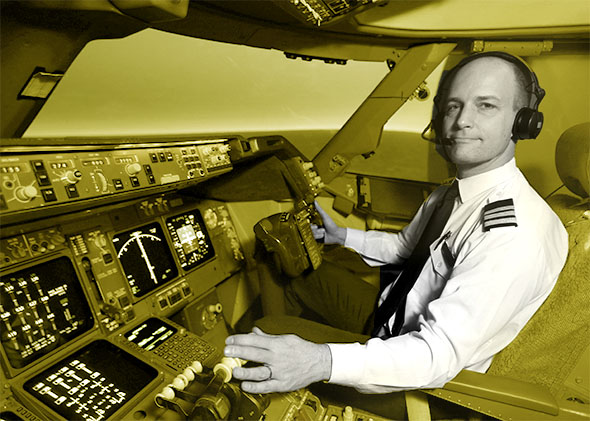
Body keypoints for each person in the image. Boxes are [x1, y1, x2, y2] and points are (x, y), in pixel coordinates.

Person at [223, 52, 569, 397]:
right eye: (453, 106)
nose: (462, 120)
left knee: (265, 335)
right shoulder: (450, 194)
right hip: (390, 316)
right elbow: (404, 249)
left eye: (486, 106)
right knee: (293, 271)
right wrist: (341, 235)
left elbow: (436, 356)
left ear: (522, 121)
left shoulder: (514, 233)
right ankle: (283, 370)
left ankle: (275, 376)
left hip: (423, 380)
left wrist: (319, 360)